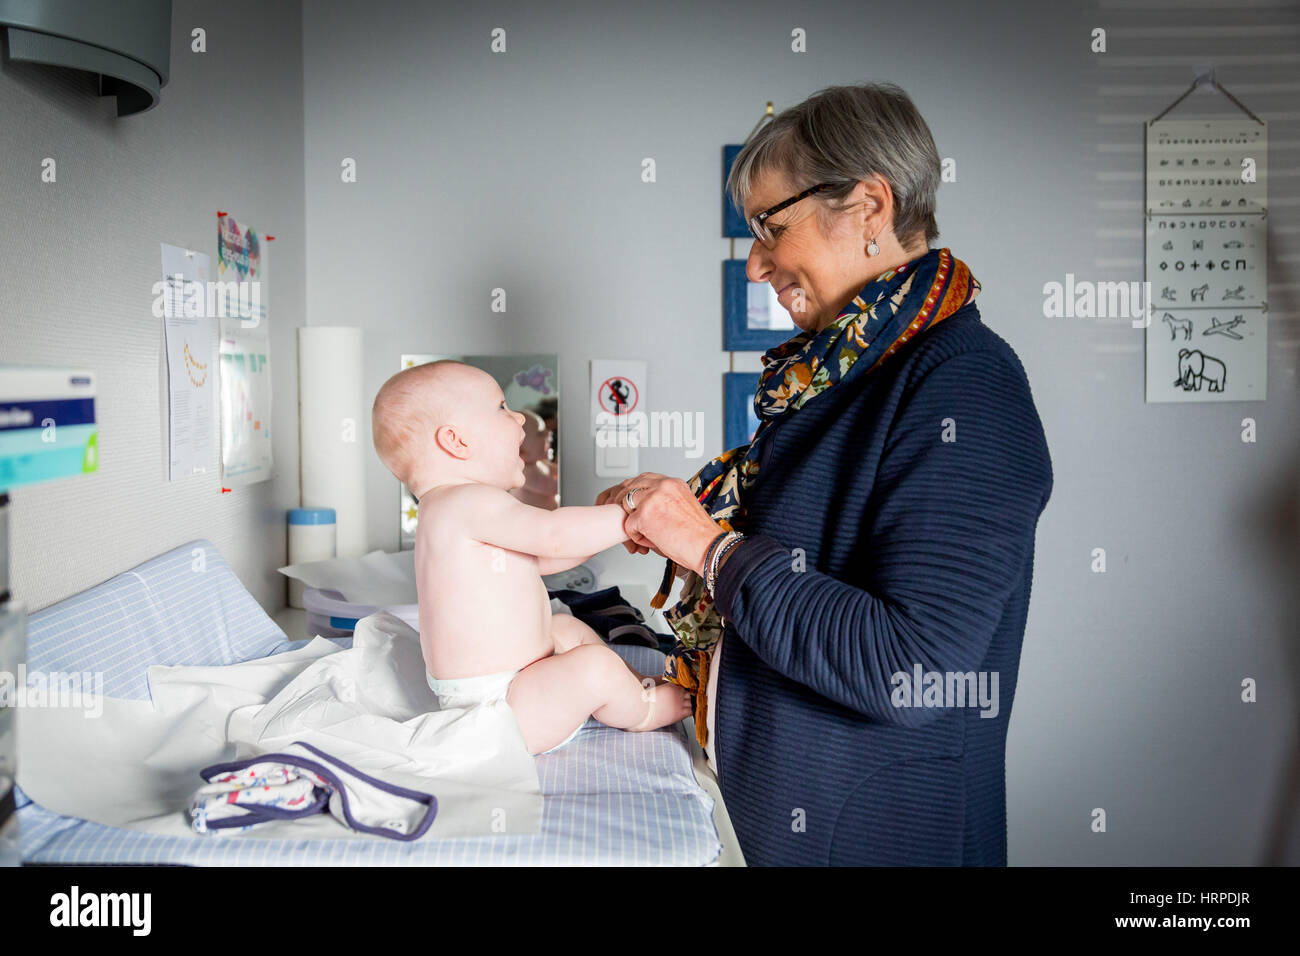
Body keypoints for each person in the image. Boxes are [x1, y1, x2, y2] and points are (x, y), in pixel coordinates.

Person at [598, 82, 1054, 865]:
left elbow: (912, 666)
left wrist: (708, 547)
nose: (755, 265)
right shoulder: (840, 380)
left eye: (771, 227)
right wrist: (689, 521)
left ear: (870, 206)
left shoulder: (965, 383)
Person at [371, 360, 692, 756]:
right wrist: (632, 517)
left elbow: (539, 559)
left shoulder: (447, 510)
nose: (520, 417)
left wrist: (606, 536)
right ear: (456, 441)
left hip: (514, 687)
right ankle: (642, 711)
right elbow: (553, 535)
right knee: (592, 665)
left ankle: (632, 685)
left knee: (567, 629)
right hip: (500, 709)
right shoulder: (466, 501)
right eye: (501, 407)